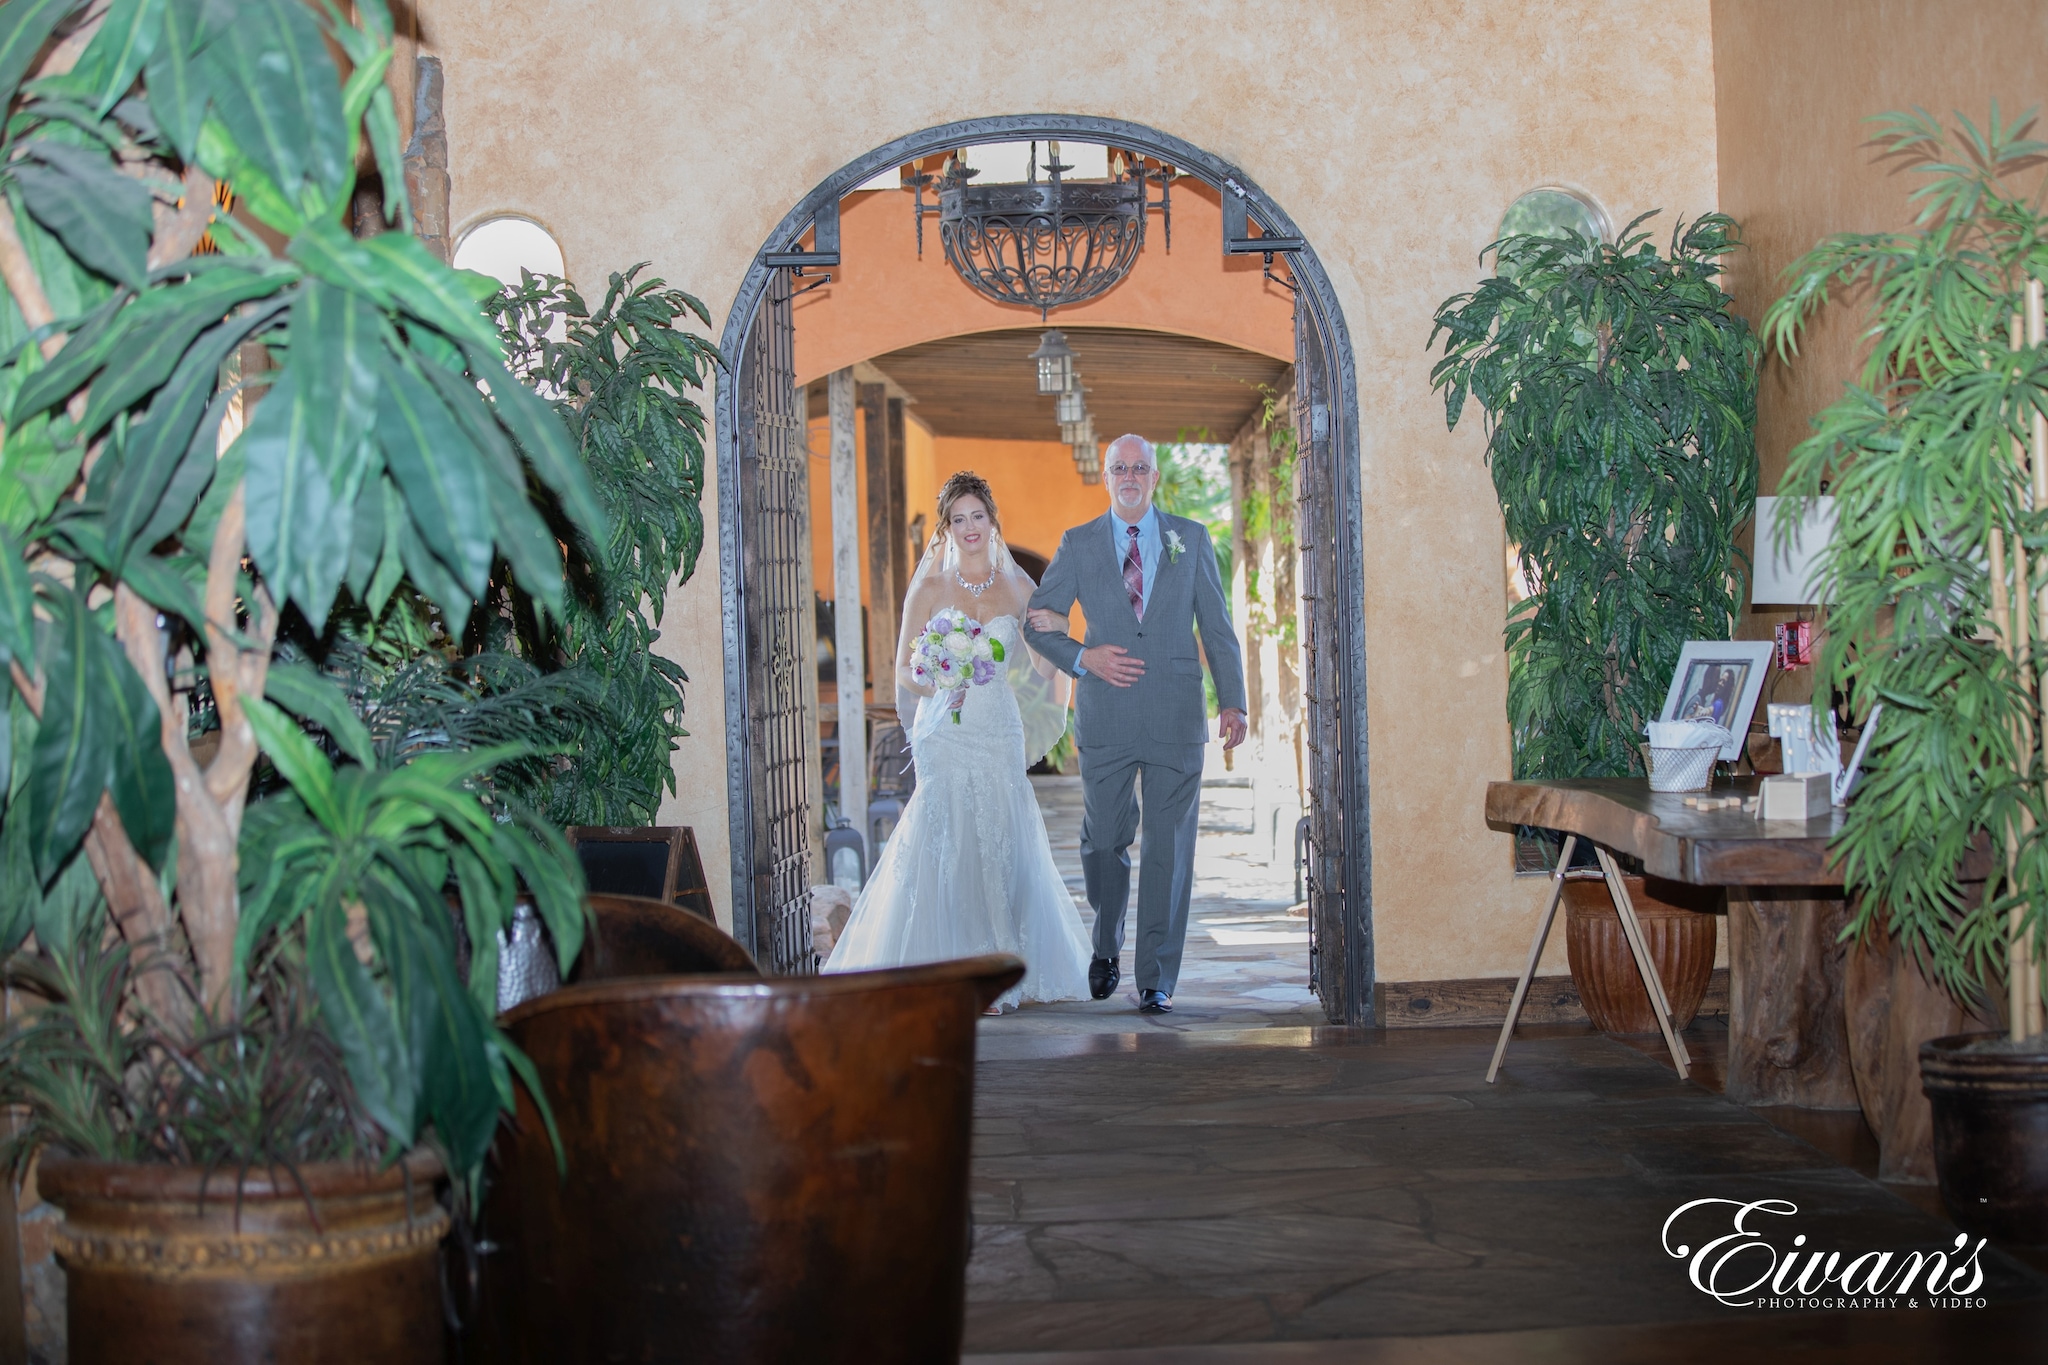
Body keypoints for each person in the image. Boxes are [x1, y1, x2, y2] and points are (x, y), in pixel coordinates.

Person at [823, 472, 1091, 1012]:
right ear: (946, 528)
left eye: (978, 516)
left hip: (997, 729)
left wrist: (1052, 624)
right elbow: (904, 671)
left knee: (998, 835)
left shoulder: (1018, 588)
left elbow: (1041, 667)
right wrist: (947, 676)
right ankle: (949, 966)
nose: (970, 528)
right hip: (942, 731)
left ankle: (1001, 964)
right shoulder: (929, 588)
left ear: (992, 521)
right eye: (959, 519)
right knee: (947, 837)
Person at [1024, 435, 1247, 1014]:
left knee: (1169, 849)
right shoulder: (1077, 545)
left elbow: (1217, 627)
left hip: (1176, 711)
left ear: (1154, 477)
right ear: (1106, 477)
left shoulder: (1190, 538)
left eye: (1139, 467)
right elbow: (1036, 624)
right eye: (1119, 467)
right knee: (1103, 841)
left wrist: (1233, 701)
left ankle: (1156, 977)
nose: (1130, 475)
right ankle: (1106, 939)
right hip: (1107, 713)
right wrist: (1082, 657)